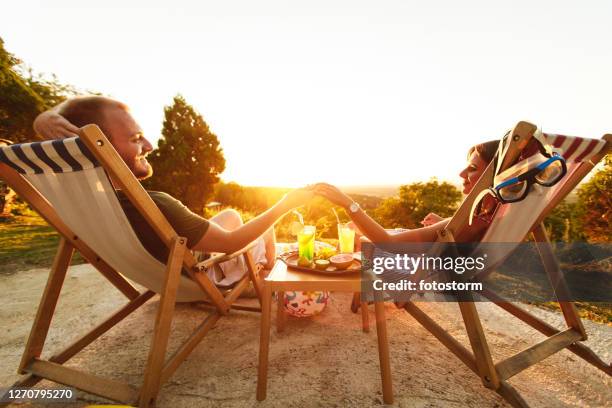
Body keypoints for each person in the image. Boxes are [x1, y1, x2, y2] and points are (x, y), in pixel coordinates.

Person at [33, 96, 313, 283]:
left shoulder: (82, 205)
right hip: (201, 278)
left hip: (159, 277)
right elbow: (232, 244)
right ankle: (265, 273)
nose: (150, 146)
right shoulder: (155, 205)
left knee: (230, 215)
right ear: (95, 148)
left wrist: (44, 118)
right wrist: (286, 204)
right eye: (135, 138)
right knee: (266, 225)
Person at [314, 140, 499, 244]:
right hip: (434, 259)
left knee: (359, 242)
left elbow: (388, 243)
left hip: (420, 271)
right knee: (362, 233)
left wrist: (349, 205)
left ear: (493, 175)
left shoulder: (474, 221)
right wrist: (443, 224)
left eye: (473, 168)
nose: (462, 173)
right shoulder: (485, 218)